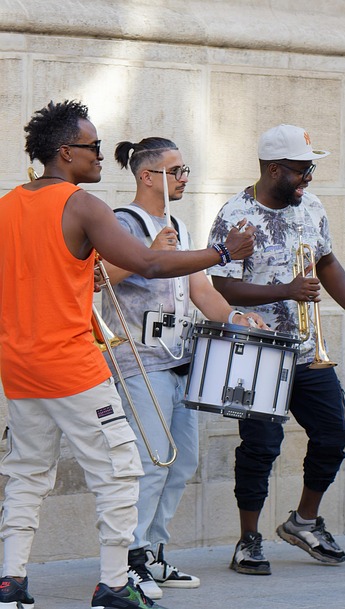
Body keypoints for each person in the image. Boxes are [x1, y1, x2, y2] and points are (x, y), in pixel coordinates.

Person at [0, 100, 254, 609]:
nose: (100, 156)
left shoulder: (7, 205)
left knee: (26, 473)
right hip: (72, 366)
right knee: (120, 471)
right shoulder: (81, 204)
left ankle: (12, 583)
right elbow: (144, 262)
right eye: (93, 147)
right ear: (65, 151)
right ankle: (115, 584)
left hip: (20, 367)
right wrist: (223, 252)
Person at [99, 137, 267, 599]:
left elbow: (201, 290)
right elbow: (96, 279)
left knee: (182, 460)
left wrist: (235, 318)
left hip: (181, 360)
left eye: (185, 170)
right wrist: (147, 251)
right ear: (147, 176)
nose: (184, 178)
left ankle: (151, 552)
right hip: (138, 360)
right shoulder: (121, 223)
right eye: (175, 171)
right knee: (151, 460)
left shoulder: (180, 226)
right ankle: (129, 559)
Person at [207, 124, 345, 576]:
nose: (309, 178)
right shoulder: (235, 214)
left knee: (336, 432)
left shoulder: (312, 207)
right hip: (257, 350)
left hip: (306, 350)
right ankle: (248, 539)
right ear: (274, 169)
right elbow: (221, 285)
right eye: (302, 171)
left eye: (311, 169)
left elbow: (326, 262)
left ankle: (303, 521)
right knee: (261, 446)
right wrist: (284, 289)